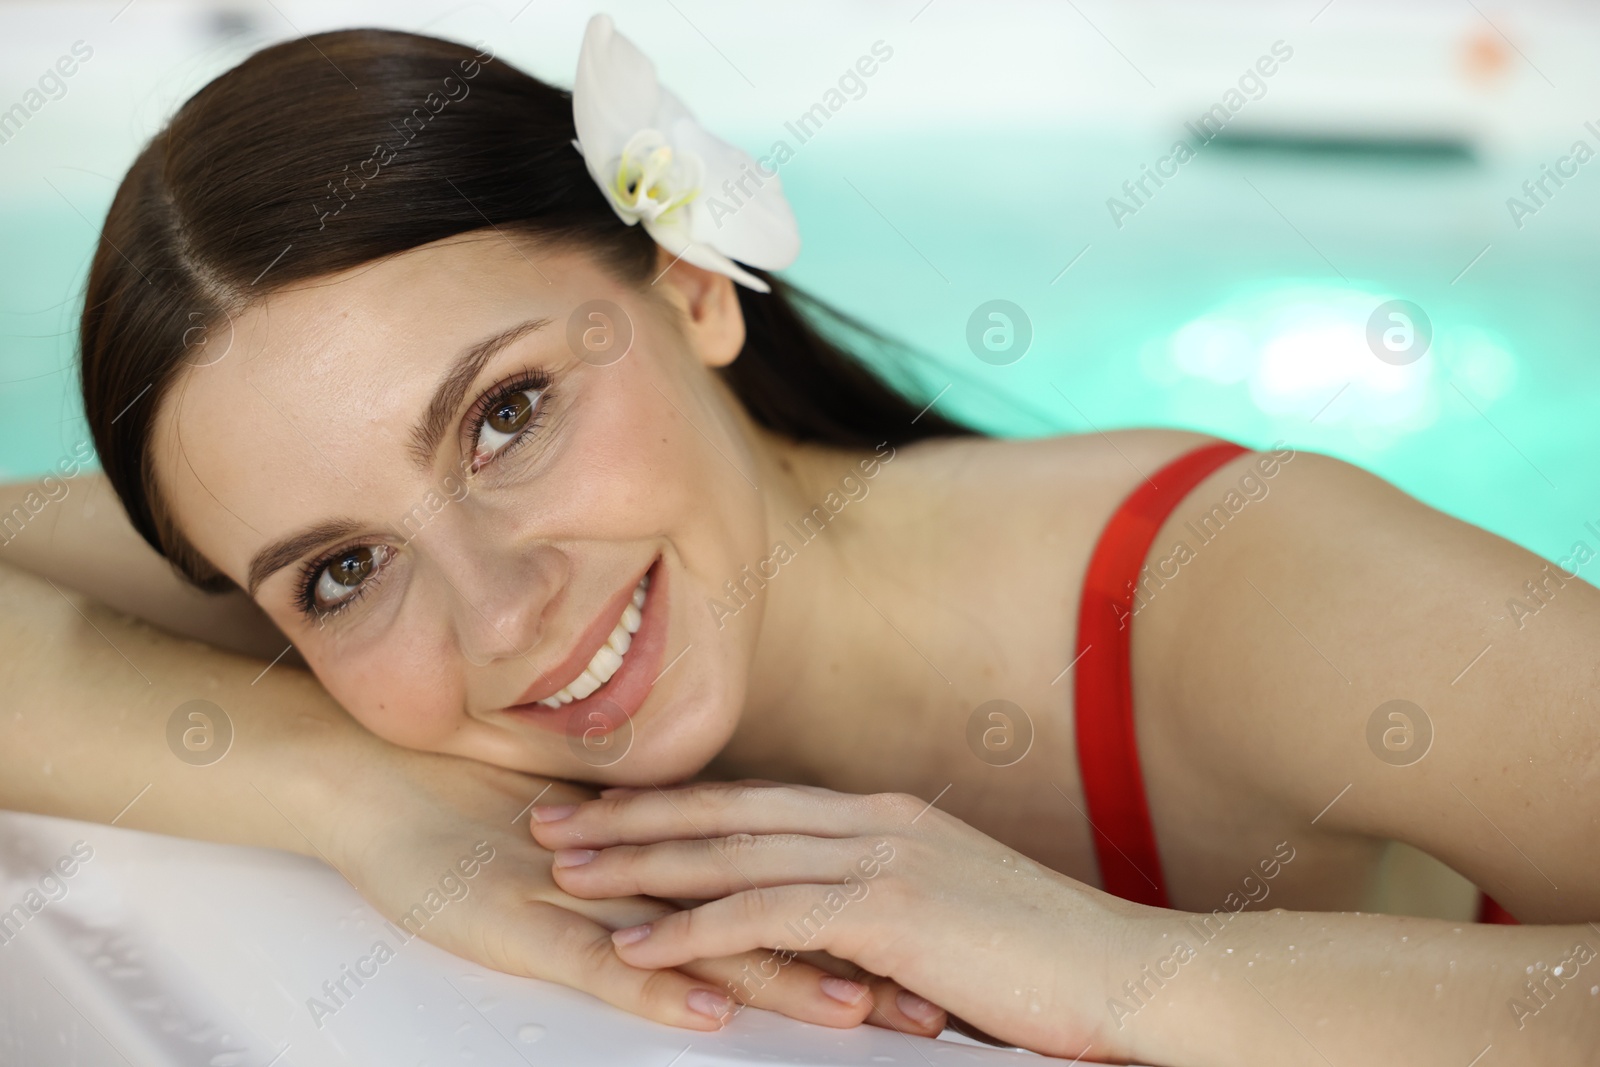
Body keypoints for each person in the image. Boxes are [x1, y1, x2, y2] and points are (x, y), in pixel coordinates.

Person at [12, 14, 1595, 1064]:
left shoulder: (1231, 589)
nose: (500, 619)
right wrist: (355, 799)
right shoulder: (411, 681)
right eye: (340, 571)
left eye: (506, 415)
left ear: (689, 284)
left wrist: (1121, 972)